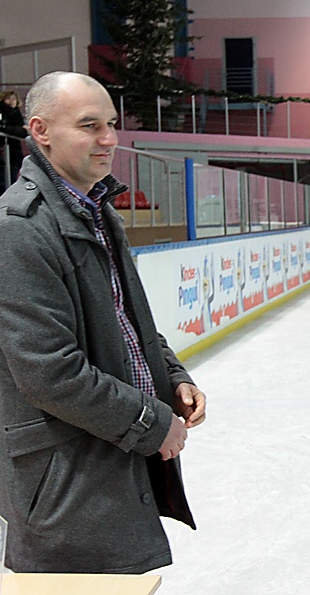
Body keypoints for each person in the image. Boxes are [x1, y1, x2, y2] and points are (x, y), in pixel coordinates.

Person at [0, 71, 207, 573]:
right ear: (40, 130)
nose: (109, 139)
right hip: (65, 478)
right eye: (90, 125)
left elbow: (129, 320)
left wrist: (173, 377)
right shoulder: (20, 230)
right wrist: (153, 422)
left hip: (107, 456)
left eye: (112, 124)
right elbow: (50, 372)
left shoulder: (96, 209)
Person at [0, 89, 27, 190]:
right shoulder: (2, 112)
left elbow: (23, 132)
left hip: (13, 152)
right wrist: (19, 129)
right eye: (8, 99)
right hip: (5, 150)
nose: (11, 101)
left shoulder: (16, 114)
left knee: (12, 178)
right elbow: (2, 127)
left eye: (13, 99)